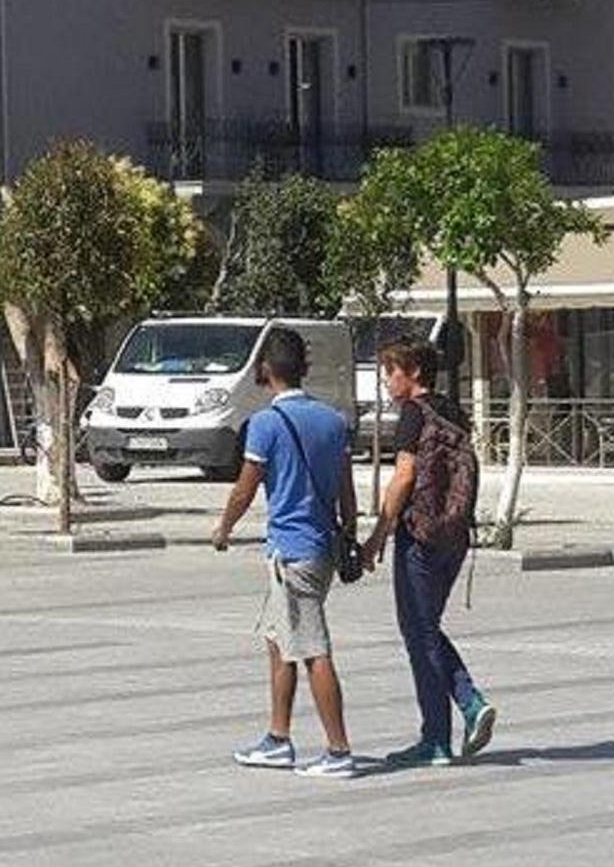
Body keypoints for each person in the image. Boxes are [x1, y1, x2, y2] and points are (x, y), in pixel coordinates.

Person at [209, 325, 359, 778]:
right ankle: (278, 738)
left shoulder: (266, 425)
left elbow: (244, 489)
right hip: (321, 547)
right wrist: (350, 534)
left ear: (265, 371)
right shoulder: (332, 422)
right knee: (279, 642)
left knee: (312, 649)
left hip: (292, 553)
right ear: (304, 369)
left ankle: (338, 750)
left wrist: (223, 528)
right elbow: (347, 494)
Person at [363, 333, 496, 767]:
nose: (386, 381)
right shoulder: (454, 411)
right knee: (427, 629)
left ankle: (457, 715)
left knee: (419, 632)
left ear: (414, 372)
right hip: (454, 536)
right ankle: (439, 733)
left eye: (391, 371)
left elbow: (404, 477)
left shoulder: (413, 414)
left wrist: (379, 533)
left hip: (418, 536)